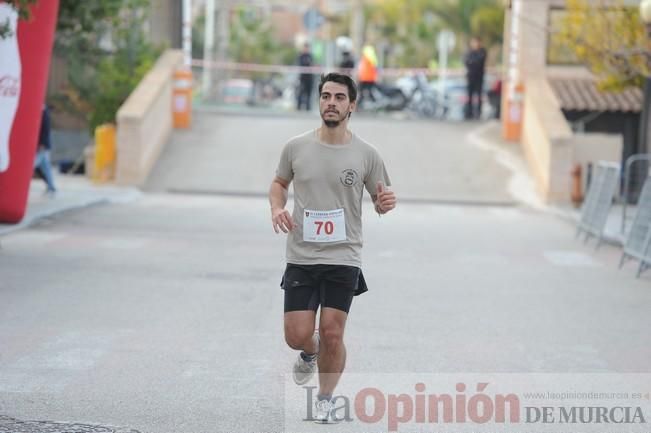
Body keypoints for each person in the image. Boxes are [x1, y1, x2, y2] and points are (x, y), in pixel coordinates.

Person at [269, 72, 396, 423]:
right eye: (325, 96)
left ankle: (325, 398)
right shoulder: (296, 147)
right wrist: (277, 207)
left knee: (332, 331)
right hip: (302, 254)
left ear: (352, 105)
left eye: (339, 97)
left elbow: (381, 199)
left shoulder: (367, 154)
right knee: (297, 335)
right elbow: (279, 183)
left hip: (344, 254)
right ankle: (309, 353)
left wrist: (386, 203)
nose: (331, 103)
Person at [34, 104, 56, 195]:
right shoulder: (43, 112)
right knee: (46, 167)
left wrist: (42, 143)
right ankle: (51, 186)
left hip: (42, 145)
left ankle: (51, 186)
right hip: (43, 144)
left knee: (33, 164)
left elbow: (45, 129)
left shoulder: (44, 113)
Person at [463, 36, 487, 120]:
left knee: (479, 95)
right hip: (470, 77)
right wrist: (472, 62)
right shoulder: (469, 52)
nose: (474, 44)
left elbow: (478, 62)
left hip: (479, 77)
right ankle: (469, 113)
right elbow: (466, 61)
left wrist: (472, 62)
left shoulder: (482, 51)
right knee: (469, 95)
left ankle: (478, 113)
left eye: (476, 42)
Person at [296, 42, 314, 111]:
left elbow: (312, 64)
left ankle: (308, 107)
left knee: (309, 92)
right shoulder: (301, 56)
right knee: (301, 92)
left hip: (309, 77)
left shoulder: (310, 56)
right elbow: (301, 64)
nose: (306, 49)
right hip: (302, 77)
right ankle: (299, 106)